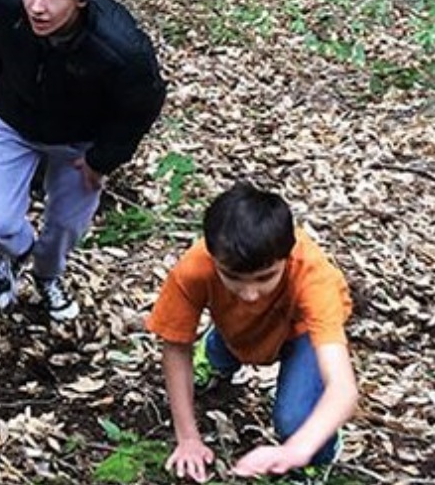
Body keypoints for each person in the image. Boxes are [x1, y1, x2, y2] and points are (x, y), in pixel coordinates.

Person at [0, 0, 165, 320]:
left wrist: (103, 159)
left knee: (66, 226)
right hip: (13, 120)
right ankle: (14, 254)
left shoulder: (121, 48)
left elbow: (140, 106)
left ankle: (47, 275)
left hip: (79, 142)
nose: (37, 6)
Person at [146, 182, 357, 481]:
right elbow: (176, 345)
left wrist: (296, 449)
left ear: (287, 255)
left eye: (264, 277)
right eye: (233, 276)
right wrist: (188, 437)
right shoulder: (195, 269)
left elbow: (343, 389)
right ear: (213, 256)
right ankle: (216, 353)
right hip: (235, 325)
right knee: (240, 329)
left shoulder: (313, 277)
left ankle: (320, 456)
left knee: (294, 419)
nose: (250, 293)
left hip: (300, 329)